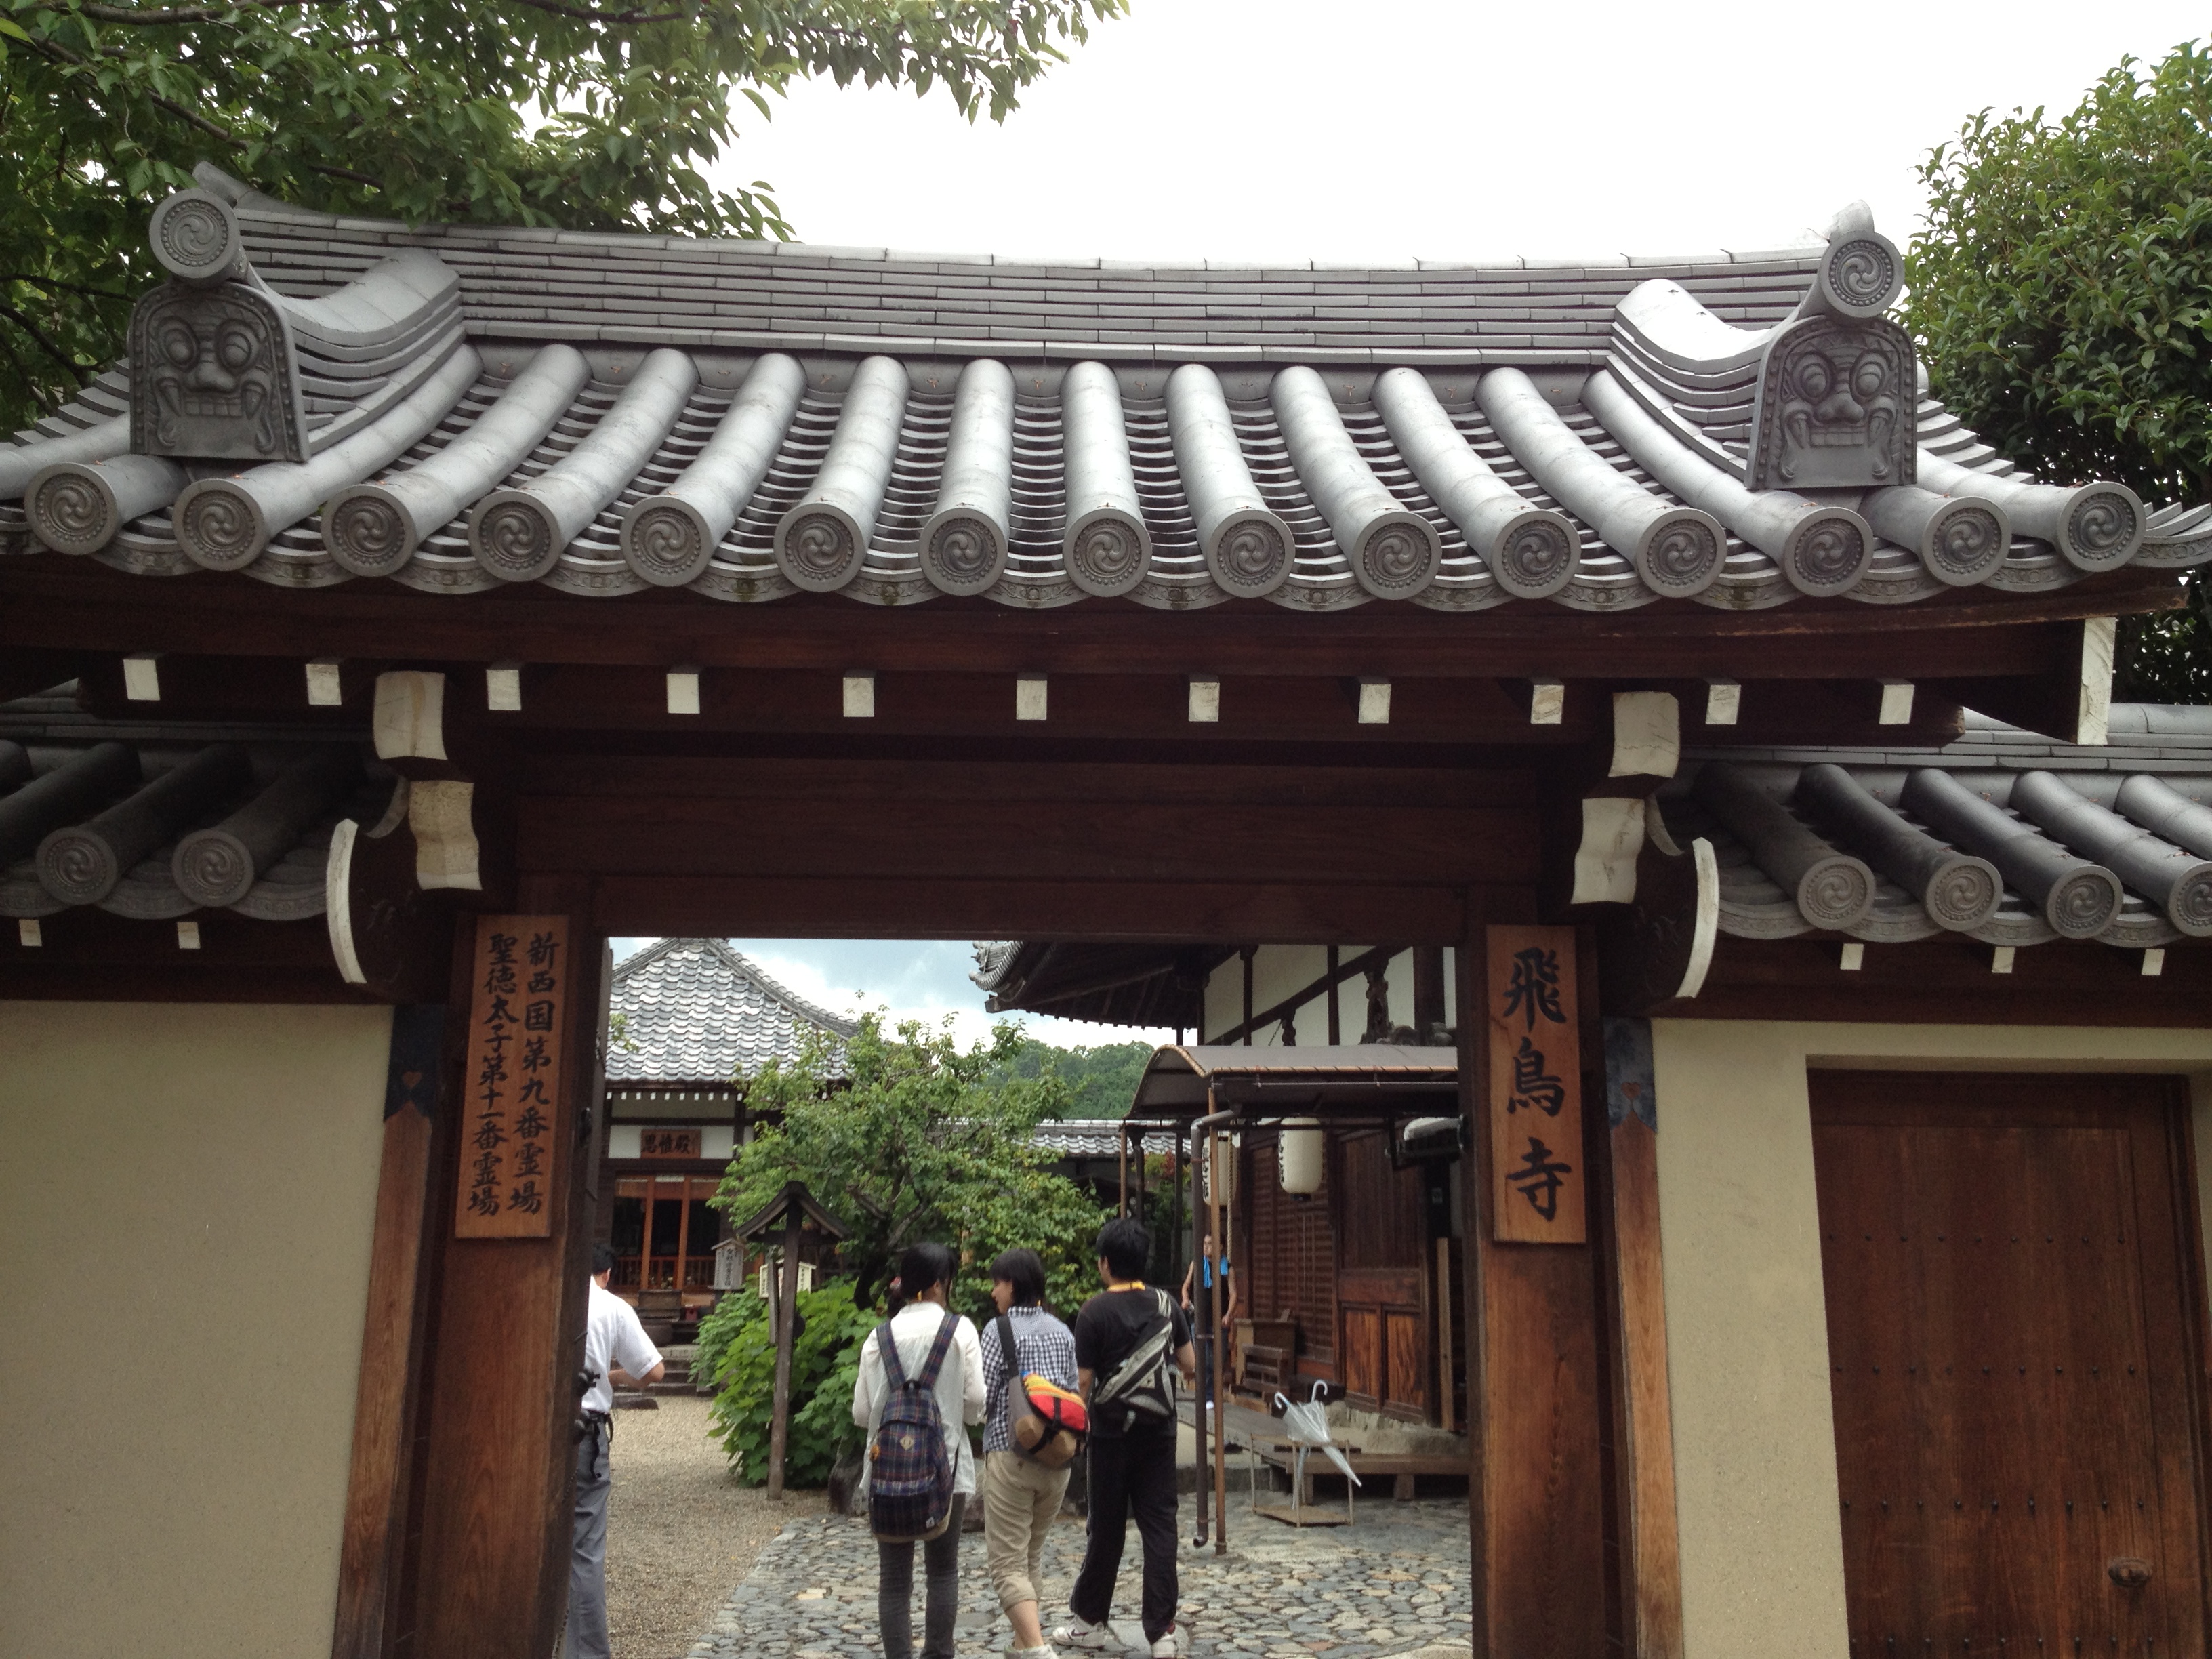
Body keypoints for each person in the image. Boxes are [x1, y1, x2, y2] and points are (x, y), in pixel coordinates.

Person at [1054, 1218, 1197, 1659]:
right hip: (1159, 1433)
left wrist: (1074, 1435)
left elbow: (1082, 1384)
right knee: (1160, 1528)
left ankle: (1090, 1622)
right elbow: (1189, 1363)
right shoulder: (1166, 1304)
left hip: (1111, 1434)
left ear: (1104, 1264)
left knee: (1107, 1529)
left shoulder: (1093, 1312)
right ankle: (1162, 1633)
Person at [851, 1242, 986, 1659]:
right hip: (947, 1468)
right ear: (939, 1284)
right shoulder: (960, 1331)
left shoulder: (879, 1337)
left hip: (887, 1472)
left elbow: (861, 1413)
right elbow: (976, 1405)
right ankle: (939, 1654)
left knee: (894, 1579)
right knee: (943, 1570)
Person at [978, 1248, 1081, 1659]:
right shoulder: (1062, 1331)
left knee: (1006, 1567)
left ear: (1013, 1284)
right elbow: (1074, 1389)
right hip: (1058, 1460)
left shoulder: (997, 1331)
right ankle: (1022, 1649)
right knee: (1031, 1558)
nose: (992, 1292)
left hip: (1010, 1454)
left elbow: (985, 1395)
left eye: (997, 1283)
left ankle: (1038, 1651)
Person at [570, 1243, 665, 1659]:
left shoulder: (545, 1292)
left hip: (529, 1431)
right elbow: (653, 1371)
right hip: (584, 1434)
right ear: (605, 1274)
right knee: (584, 1550)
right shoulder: (611, 1307)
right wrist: (611, 1375)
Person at [1177, 1232, 1240, 1414]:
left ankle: (1213, 1396)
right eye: (1204, 1243)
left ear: (1220, 1247)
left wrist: (1229, 1314)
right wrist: (1185, 1299)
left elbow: (1234, 1294)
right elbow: (1186, 1286)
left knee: (1217, 1360)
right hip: (1199, 1318)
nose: (1206, 1247)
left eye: (1210, 1244)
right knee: (1203, 1359)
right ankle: (1205, 1396)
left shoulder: (1227, 1268)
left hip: (1219, 1319)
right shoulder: (1197, 1264)